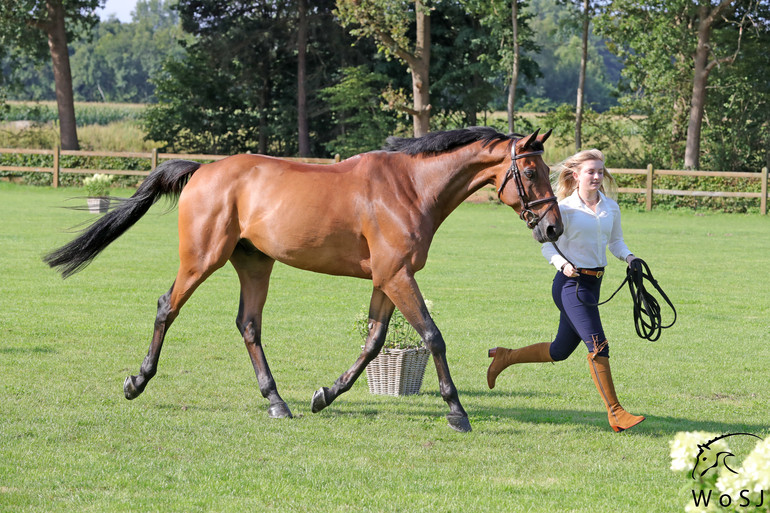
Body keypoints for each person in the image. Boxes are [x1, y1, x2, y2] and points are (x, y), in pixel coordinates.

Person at [486, 148, 645, 432]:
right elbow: (547, 245)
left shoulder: (611, 207)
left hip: (593, 285)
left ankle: (506, 356)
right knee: (598, 345)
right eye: (590, 171)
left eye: (599, 171)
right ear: (576, 175)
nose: (596, 176)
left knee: (560, 350)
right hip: (570, 285)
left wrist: (630, 257)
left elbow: (616, 242)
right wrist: (561, 264)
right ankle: (616, 413)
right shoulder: (565, 208)